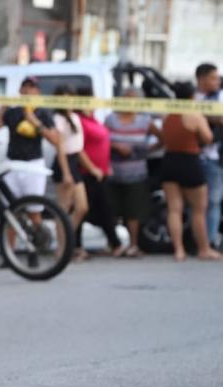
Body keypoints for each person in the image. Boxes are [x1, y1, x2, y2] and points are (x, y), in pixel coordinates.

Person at [0, 77, 62, 256]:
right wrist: (3, 108)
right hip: (13, 165)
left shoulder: (42, 113)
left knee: (34, 211)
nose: (29, 91)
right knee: (11, 212)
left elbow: (55, 139)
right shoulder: (14, 112)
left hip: (33, 166)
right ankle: (9, 253)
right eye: (26, 87)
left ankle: (39, 245)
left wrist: (34, 121)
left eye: (33, 88)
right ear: (20, 91)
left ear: (38, 92)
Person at [160, 81, 222, 262]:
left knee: (174, 209)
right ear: (192, 96)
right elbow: (208, 138)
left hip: (169, 160)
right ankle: (204, 248)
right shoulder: (194, 115)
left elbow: (165, 137)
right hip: (189, 161)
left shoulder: (167, 114)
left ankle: (178, 250)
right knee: (198, 210)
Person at [104, 89, 160, 257]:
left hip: (136, 174)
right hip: (113, 172)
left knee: (133, 211)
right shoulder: (111, 120)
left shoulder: (145, 121)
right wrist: (116, 147)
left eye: (134, 100)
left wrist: (146, 151)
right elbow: (102, 139)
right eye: (127, 99)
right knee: (112, 210)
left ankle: (133, 244)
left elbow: (162, 138)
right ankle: (114, 243)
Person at [74, 89, 122, 256]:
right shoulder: (79, 121)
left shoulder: (93, 120)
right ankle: (75, 246)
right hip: (87, 173)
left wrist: (105, 166)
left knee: (106, 209)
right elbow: (78, 148)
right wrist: (91, 168)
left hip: (100, 173)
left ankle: (115, 243)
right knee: (81, 209)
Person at [50, 85, 94, 261]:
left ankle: (67, 240)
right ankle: (61, 248)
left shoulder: (74, 117)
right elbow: (60, 148)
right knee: (63, 209)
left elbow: (78, 147)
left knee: (82, 207)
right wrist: (66, 173)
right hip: (65, 163)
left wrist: (91, 167)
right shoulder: (58, 119)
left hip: (74, 162)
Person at [193, 63, 223, 249]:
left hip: (214, 157)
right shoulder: (191, 97)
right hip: (194, 156)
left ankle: (210, 240)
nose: (217, 81)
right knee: (197, 204)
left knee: (213, 200)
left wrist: (202, 116)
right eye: (213, 77)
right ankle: (199, 241)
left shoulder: (219, 96)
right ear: (201, 79)